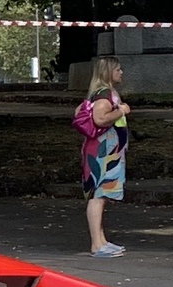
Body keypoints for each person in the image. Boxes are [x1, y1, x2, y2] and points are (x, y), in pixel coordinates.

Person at [73, 57, 132, 258]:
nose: (121, 72)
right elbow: (100, 118)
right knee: (98, 195)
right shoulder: (104, 95)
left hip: (106, 151)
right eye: (118, 69)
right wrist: (121, 110)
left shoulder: (102, 93)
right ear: (108, 72)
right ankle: (96, 245)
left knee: (101, 195)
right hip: (103, 152)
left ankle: (102, 240)